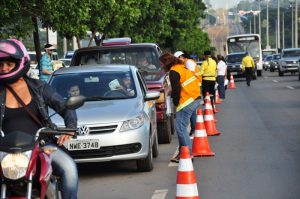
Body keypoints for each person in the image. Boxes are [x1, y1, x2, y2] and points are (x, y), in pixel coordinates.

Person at [0, 39, 78, 199]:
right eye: (0, 65)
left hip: (42, 146)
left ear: (19, 62)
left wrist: (70, 127)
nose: (4, 68)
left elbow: (64, 106)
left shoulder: (39, 87)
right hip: (5, 151)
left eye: (9, 64)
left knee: (69, 168)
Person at [159, 53, 201, 163]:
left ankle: (188, 154)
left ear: (166, 63)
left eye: (162, 64)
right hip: (194, 97)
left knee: (181, 127)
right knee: (181, 127)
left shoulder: (174, 71)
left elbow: (177, 89)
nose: (161, 66)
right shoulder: (181, 67)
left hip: (188, 100)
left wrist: (175, 101)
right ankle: (183, 152)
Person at [174, 51, 202, 136]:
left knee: (192, 110)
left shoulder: (188, 62)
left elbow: (190, 75)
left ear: (181, 57)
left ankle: (194, 129)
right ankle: (194, 129)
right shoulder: (188, 62)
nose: (178, 61)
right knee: (192, 110)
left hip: (194, 87)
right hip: (194, 86)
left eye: (178, 59)